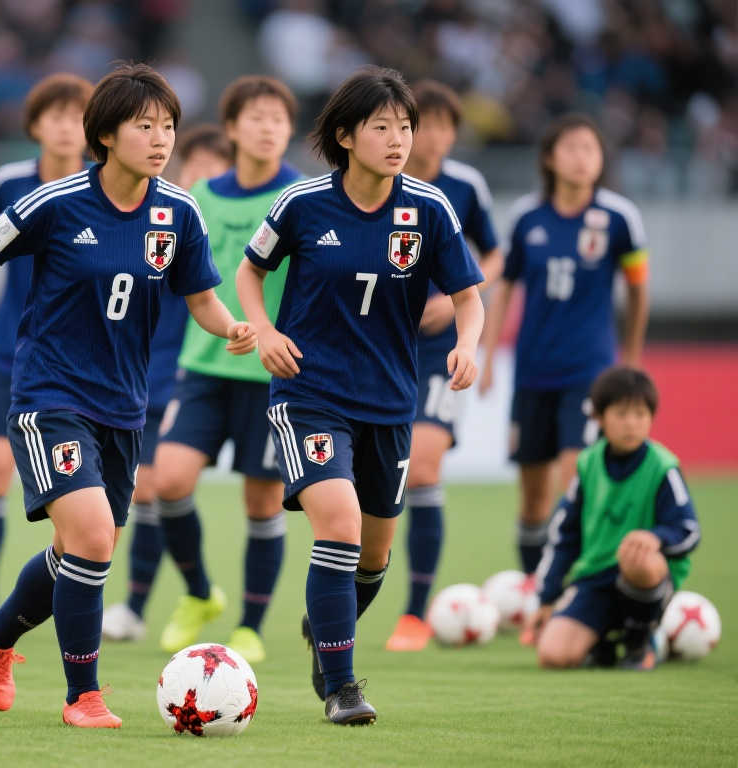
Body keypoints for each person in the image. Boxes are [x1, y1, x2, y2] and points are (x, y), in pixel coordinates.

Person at [0, 63, 256, 729]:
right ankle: (82, 696)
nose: (160, 138)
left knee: (79, 551)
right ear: (107, 135)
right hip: (47, 398)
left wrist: (232, 324)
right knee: (91, 536)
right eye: (143, 125)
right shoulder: (54, 203)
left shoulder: (179, 212)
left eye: (168, 126)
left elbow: (201, 297)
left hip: (123, 407)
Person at [236, 67, 484, 725]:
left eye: (406, 126)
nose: (399, 138)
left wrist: (469, 342)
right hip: (309, 394)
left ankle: (327, 630)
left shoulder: (430, 208)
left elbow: (468, 297)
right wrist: (262, 330)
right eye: (383, 127)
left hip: (391, 402)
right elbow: (250, 270)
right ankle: (342, 686)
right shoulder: (302, 203)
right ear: (346, 135)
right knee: (340, 528)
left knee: (374, 555)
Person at [118, 75, 301, 663]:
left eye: (279, 118)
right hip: (202, 368)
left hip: (273, 376)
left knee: (262, 504)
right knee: (166, 482)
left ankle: (250, 624)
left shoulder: (302, 197)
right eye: (257, 117)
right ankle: (199, 593)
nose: (269, 127)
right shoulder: (200, 198)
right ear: (231, 129)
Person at [479, 114, 650, 644]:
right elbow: (504, 287)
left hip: (590, 375)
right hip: (532, 370)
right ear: (551, 157)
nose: (583, 157)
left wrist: (632, 359)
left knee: (574, 482)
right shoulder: (527, 216)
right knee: (531, 498)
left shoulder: (620, 217)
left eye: (591, 149)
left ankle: (577, 594)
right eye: (572, 148)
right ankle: (537, 591)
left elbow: (639, 289)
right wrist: (487, 355)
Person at [0, 73, 93, 632]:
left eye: (76, 116)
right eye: (54, 115)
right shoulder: (10, 182)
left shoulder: (104, 188)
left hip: (81, 366)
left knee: (87, 510)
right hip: (10, 356)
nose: (64, 126)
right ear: (34, 125)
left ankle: (64, 591)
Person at [384, 81, 503, 652]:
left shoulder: (463, 186)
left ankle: (414, 614)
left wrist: (459, 302)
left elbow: (495, 252)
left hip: (439, 351)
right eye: (419, 124)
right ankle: (348, 600)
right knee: (370, 483)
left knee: (425, 467)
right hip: (380, 348)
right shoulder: (379, 185)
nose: (430, 137)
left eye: (440, 127)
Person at [102, 123, 232, 642]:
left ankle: (138, 605)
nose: (200, 177)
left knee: (155, 488)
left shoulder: (207, 230)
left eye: (213, 171)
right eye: (194, 167)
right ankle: (195, 591)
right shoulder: (164, 222)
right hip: (141, 375)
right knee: (147, 493)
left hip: (193, 379)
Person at [529, 366, 700, 669]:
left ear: (651, 418)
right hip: (595, 578)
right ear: (599, 417)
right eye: (621, 414)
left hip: (644, 574)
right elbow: (564, 536)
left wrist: (656, 537)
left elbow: (688, 530)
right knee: (552, 655)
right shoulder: (587, 465)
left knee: (636, 553)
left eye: (640, 414)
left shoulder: (663, 466)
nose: (631, 424)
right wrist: (548, 596)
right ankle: (603, 643)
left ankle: (641, 641)